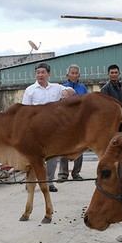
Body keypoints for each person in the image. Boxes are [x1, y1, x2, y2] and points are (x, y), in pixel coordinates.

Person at [21, 62, 75, 192]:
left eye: (43, 72)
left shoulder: (56, 88)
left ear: (48, 74)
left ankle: (49, 181)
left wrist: (67, 92)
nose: (40, 75)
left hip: (52, 129)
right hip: (35, 129)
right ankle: (31, 181)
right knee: (34, 157)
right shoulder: (30, 90)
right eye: (38, 72)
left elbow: (72, 91)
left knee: (53, 156)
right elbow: (24, 111)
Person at [59, 64, 87, 182]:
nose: (74, 75)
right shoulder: (62, 88)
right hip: (65, 122)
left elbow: (86, 104)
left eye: (76, 73)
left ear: (79, 75)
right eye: (72, 73)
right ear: (67, 75)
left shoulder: (83, 88)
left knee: (80, 147)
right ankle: (63, 174)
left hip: (79, 122)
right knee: (62, 148)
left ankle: (76, 173)